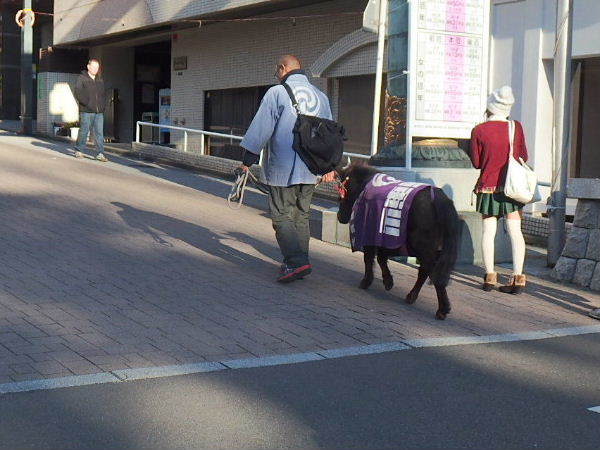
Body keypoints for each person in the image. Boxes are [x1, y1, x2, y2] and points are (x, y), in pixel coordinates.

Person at [239, 55, 336, 283]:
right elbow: (329, 135)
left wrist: (247, 160)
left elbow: (262, 127)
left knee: (281, 216)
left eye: (277, 71)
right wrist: (329, 167)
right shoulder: (321, 96)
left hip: (283, 167)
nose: (277, 75)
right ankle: (300, 260)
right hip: (312, 167)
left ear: (283, 69)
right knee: (301, 216)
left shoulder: (277, 93)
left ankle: (296, 262)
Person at [470, 86, 528, 294]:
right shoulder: (516, 127)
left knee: (489, 231)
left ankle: (490, 276)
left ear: (490, 106)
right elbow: (524, 157)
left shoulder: (479, 130)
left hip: (488, 187)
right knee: (515, 231)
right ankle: (518, 278)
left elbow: (476, 163)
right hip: (512, 188)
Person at [73, 58, 108, 162]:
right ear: (88, 67)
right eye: (93, 67)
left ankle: (100, 153)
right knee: (84, 131)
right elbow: (78, 93)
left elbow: (102, 95)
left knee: (99, 133)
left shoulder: (100, 79)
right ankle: (79, 150)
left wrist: (102, 106)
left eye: (97, 67)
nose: (95, 69)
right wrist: (87, 104)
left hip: (99, 112)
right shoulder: (82, 78)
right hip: (86, 111)